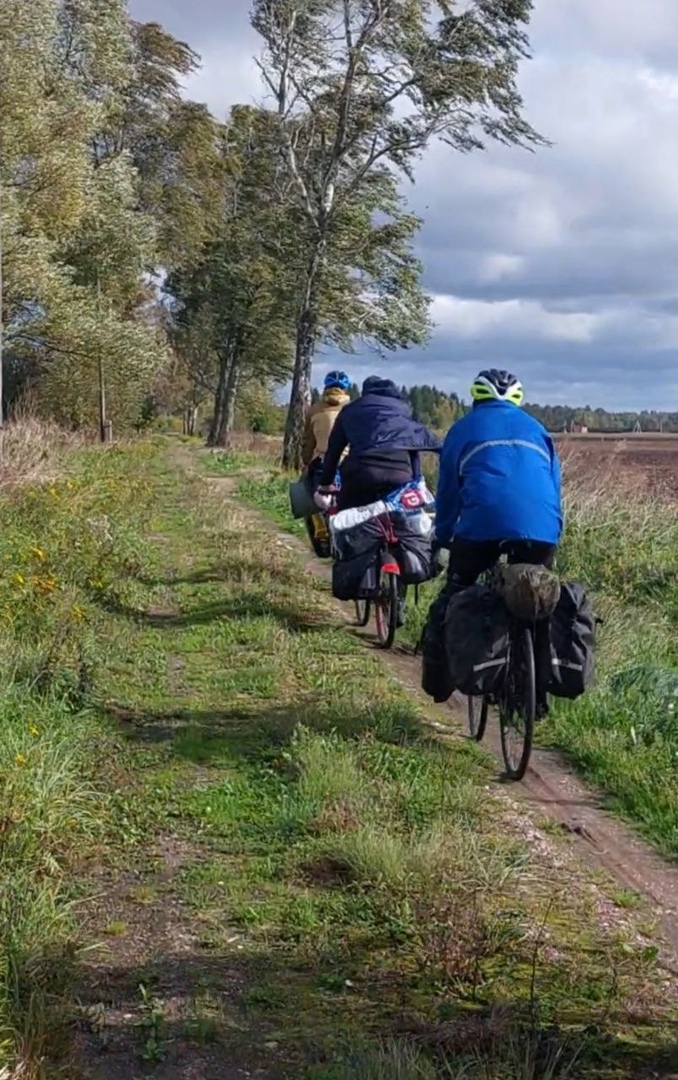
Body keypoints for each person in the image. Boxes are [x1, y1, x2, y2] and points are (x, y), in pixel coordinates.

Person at [422, 368, 563, 704]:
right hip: (543, 530)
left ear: (475, 398)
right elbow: (555, 490)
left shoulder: (461, 430)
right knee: (538, 600)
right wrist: (552, 533)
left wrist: (442, 536)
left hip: (480, 529)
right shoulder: (539, 429)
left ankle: (440, 682)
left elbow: (448, 493)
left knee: (456, 591)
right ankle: (537, 692)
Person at [317, 375, 440, 510]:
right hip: (399, 473)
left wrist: (326, 483)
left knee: (345, 516)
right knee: (405, 518)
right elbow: (412, 447)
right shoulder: (402, 409)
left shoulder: (350, 409)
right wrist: (415, 479)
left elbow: (333, 451)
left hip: (361, 473)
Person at [301, 371, 352, 489]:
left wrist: (306, 461)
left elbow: (308, 441)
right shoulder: (353, 409)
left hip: (321, 463)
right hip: (347, 464)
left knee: (307, 491)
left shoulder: (314, 409)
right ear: (345, 388)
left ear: (326, 387)